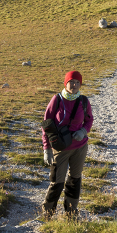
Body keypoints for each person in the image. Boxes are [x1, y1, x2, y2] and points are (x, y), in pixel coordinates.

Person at [41, 70, 93, 217]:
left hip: (80, 147)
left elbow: (89, 120)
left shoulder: (83, 101)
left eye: (77, 82)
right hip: (61, 147)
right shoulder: (57, 99)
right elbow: (47, 124)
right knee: (57, 181)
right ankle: (48, 212)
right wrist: (47, 148)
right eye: (71, 82)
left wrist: (83, 131)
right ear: (66, 83)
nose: (74, 85)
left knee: (75, 179)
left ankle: (71, 212)